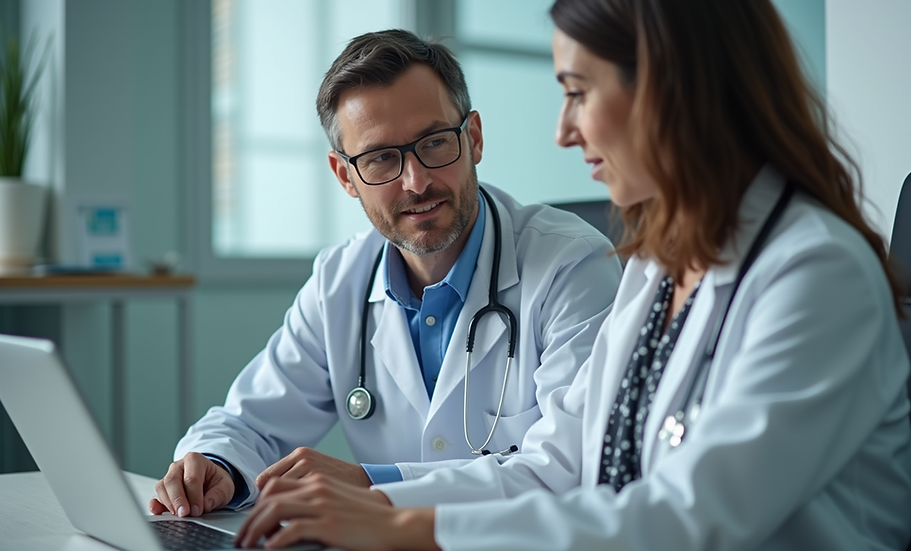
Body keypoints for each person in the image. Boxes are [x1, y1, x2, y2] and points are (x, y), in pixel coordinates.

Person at [232, 1, 911, 550]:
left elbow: (689, 518)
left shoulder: (816, 273)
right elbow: (560, 465)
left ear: (673, 91)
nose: (563, 130)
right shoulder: (657, 267)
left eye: (577, 92)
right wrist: (373, 505)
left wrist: (409, 525)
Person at [149, 29, 623, 519]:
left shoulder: (573, 263)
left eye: (435, 143)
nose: (416, 182)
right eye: (381, 158)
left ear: (474, 139)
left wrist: (373, 485)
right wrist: (215, 464)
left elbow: (572, 466)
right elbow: (250, 422)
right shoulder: (340, 281)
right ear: (345, 176)